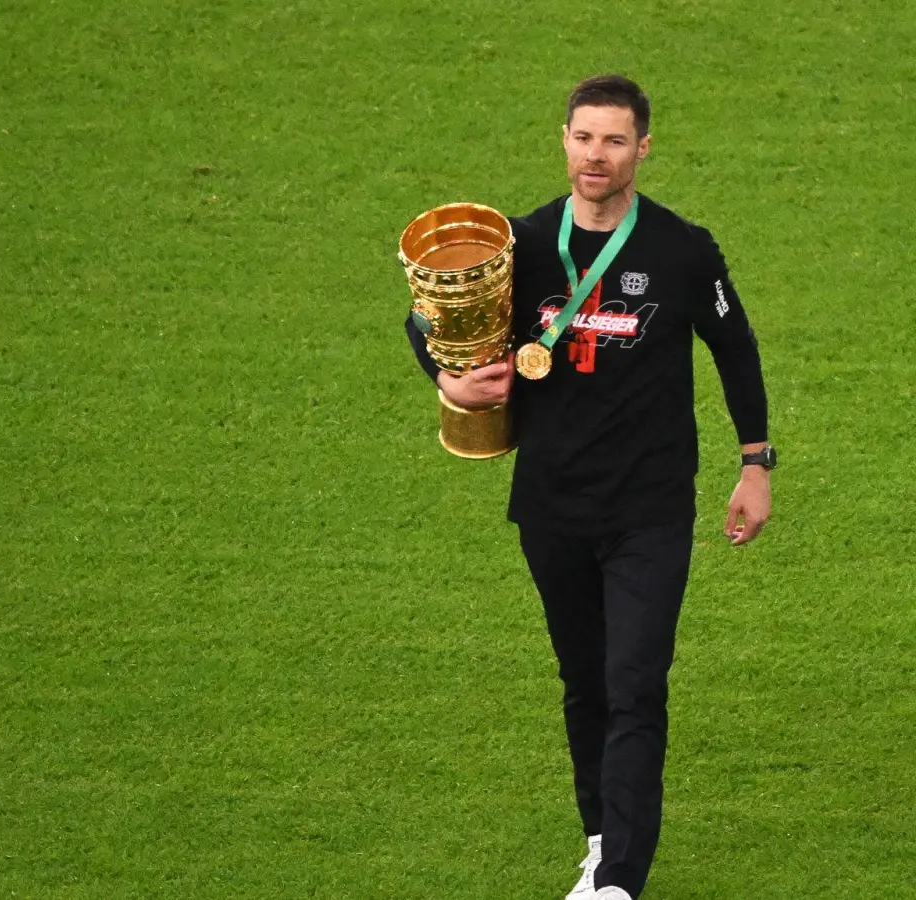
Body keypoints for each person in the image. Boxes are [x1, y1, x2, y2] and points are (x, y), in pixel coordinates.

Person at [404, 74, 775, 900]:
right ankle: (602, 836)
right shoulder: (523, 245)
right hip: (552, 504)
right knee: (586, 680)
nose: (595, 156)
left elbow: (736, 349)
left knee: (636, 681)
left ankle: (618, 883)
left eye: (614, 140)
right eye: (583, 138)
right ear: (563, 140)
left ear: (643, 148)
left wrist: (756, 462)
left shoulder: (683, 250)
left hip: (649, 508)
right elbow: (428, 311)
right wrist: (446, 377)